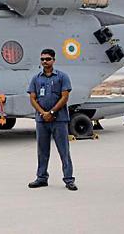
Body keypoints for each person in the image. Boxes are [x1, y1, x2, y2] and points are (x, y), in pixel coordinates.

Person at [27, 49, 78, 191]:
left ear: (53, 60)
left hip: (59, 120)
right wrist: (43, 113)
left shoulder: (62, 77)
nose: (45, 61)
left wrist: (52, 112)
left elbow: (65, 96)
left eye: (48, 59)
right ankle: (41, 178)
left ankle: (69, 180)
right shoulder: (36, 79)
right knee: (42, 151)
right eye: (42, 59)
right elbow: (32, 98)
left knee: (64, 151)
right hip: (42, 120)